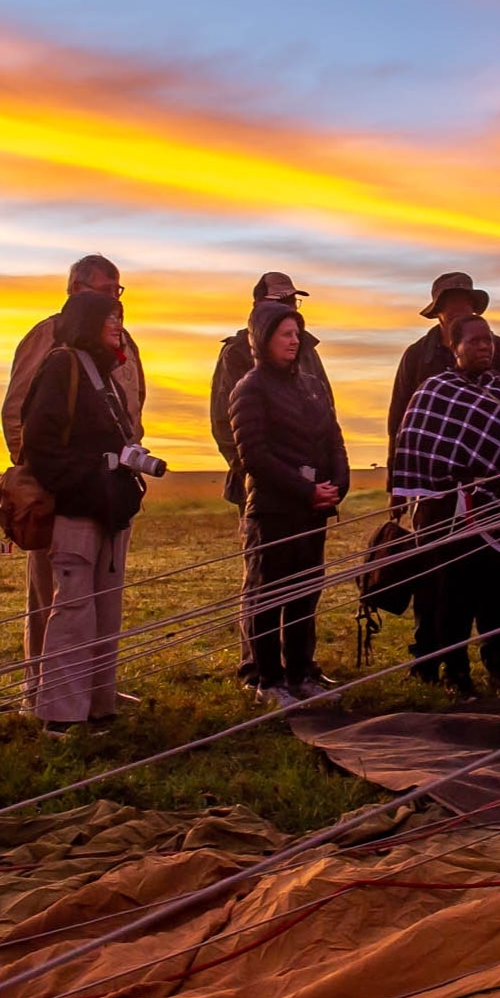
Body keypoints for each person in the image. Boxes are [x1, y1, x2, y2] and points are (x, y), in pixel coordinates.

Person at [4, 255, 145, 708]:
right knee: (58, 598)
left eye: (116, 292)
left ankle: (95, 692)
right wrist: (40, 486)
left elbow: (132, 409)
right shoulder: (50, 340)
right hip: (61, 493)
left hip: (110, 489)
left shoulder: (123, 342)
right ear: (75, 291)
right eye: (103, 291)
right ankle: (42, 692)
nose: (112, 301)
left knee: (103, 596)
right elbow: (21, 414)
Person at [393, 315, 500, 698]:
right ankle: (455, 671)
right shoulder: (435, 393)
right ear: (455, 347)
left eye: (488, 340)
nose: (484, 347)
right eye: (475, 341)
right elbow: (417, 445)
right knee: (454, 595)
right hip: (454, 514)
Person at [209, 272, 331, 689]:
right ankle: (257, 670)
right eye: (280, 300)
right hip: (262, 489)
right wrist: (254, 473)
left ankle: (302, 667)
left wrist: (323, 479)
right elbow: (226, 423)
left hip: (309, 492)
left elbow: (326, 412)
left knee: (305, 581)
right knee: (262, 579)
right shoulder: (236, 354)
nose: (289, 306)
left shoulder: (306, 349)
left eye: (293, 300)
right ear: (258, 304)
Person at [229, 300, 350, 708]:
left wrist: (338, 485)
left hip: (312, 511)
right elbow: (254, 456)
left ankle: (301, 672)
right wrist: (304, 490)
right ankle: (268, 679)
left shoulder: (312, 386)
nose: (294, 341)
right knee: (268, 596)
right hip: (273, 510)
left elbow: (334, 438)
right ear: (263, 338)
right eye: (285, 334)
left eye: (297, 333)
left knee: (305, 594)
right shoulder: (249, 389)